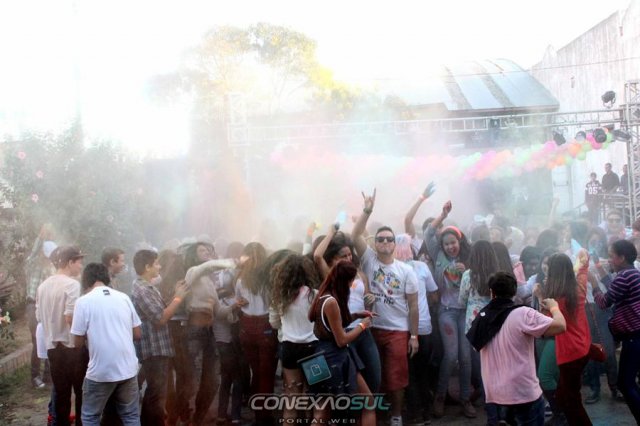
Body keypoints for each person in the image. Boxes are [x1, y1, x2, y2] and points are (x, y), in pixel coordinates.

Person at [352, 190, 420, 426]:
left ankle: (396, 415)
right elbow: (355, 235)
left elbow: (413, 306)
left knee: (397, 378)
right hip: (370, 328)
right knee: (374, 376)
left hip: (397, 331)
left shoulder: (406, 270)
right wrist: (367, 211)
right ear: (375, 243)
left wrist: (414, 336)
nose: (384, 242)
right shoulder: (369, 259)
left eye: (389, 239)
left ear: (395, 243)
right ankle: (377, 414)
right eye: (380, 239)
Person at [466, 272, 567, 426]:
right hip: (523, 394)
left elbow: (476, 347)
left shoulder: (481, 317)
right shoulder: (522, 314)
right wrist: (554, 308)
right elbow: (560, 326)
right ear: (514, 292)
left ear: (491, 292)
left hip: (495, 397)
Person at [70, 263, 142, 426]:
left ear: (86, 281)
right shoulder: (123, 298)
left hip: (101, 371)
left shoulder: (83, 302)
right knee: (131, 416)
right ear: (106, 278)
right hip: (128, 368)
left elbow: (77, 342)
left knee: (90, 416)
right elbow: (138, 334)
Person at [313, 225, 381, 394]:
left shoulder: (360, 274)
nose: (348, 258)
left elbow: (367, 302)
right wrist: (331, 232)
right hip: (344, 333)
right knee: (350, 382)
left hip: (363, 331)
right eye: (343, 256)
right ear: (333, 259)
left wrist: (370, 300)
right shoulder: (331, 275)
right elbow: (317, 256)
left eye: (350, 254)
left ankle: (369, 406)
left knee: (374, 376)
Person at [307, 261, 376, 426]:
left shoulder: (323, 296)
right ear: (345, 280)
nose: (352, 285)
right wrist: (362, 325)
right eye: (351, 280)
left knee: (322, 410)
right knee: (368, 402)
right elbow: (341, 340)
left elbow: (332, 325)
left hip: (317, 355)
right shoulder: (332, 302)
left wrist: (356, 315)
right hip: (334, 357)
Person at [425, 201, 474, 419]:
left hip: (465, 312)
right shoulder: (439, 257)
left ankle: (465, 399)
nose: (450, 247)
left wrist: (468, 271)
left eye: (453, 242)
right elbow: (428, 233)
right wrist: (442, 215)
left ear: (459, 241)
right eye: (446, 244)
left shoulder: (469, 259)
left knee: (466, 357)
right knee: (451, 355)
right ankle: (440, 397)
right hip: (445, 311)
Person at [131, 249, 190, 426]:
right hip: (154, 348)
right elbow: (160, 318)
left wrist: (176, 294)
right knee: (156, 395)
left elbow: (160, 311)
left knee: (155, 393)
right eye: (156, 263)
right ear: (147, 267)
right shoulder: (143, 290)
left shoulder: (147, 286)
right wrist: (178, 298)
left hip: (158, 347)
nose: (159, 266)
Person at [36, 246, 88, 426]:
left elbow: (39, 317)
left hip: (53, 349)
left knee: (61, 395)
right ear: (70, 262)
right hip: (72, 348)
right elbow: (70, 317)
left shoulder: (42, 286)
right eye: (79, 262)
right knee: (81, 393)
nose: (81, 266)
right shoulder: (72, 284)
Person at [592, 239, 640, 422]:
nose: (609, 259)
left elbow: (604, 302)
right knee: (627, 382)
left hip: (634, 337)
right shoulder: (630, 274)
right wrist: (599, 269)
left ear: (622, 258)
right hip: (634, 336)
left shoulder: (624, 276)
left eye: (612, 256)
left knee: (626, 384)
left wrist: (593, 284)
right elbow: (614, 287)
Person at [394, 233, 438, 425]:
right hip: (423, 326)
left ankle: (414, 413)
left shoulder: (391, 270)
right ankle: (426, 411)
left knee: (409, 372)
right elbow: (434, 294)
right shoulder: (422, 267)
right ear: (411, 249)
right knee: (422, 370)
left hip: (402, 328)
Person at [543, 251, 592, 426]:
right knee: (564, 396)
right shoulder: (578, 288)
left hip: (570, 354)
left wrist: (540, 296)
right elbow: (583, 272)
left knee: (572, 402)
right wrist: (583, 259)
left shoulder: (557, 300)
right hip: (583, 348)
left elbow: (546, 323)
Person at [269, 254, 319, 421]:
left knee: (291, 398)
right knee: (317, 397)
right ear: (307, 272)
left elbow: (274, 323)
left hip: (289, 348)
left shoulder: (279, 297)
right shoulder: (315, 295)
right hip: (313, 349)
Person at [24, 224, 56, 389]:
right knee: (37, 340)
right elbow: (33, 254)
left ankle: (48, 376)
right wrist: (40, 237)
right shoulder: (33, 264)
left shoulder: (51, 268)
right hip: (33, 305)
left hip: (48, 306)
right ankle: (35, 376)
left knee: (50, 338)